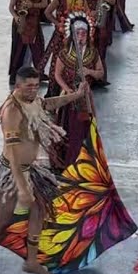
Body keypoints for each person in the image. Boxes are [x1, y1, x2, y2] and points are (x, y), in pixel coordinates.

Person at [0, 65, 86, 274]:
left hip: (31, 169)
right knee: (3, 217)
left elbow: (48, 103)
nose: (33, 90)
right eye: (29, 87)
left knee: (39, 208)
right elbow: (12, 152)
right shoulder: (12, 110)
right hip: (12, 171)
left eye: (36, 86)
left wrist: (76, 95)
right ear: (17, 86)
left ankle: (31, 261)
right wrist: (22, 187)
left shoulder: (34, 101)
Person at [47, 11, 104, 170]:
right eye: (78, 32)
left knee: (83, 129)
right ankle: (63, 161)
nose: (81, 35)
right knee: (66, 129)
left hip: (85, 99)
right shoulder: (65, 53)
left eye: (84, 32)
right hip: (68, 98)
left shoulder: (93, 53)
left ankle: (82, 161)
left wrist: (89, 72)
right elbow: (57, 74)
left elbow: (100, 73)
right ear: (72, 34)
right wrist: (67, 91)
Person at [8, 0, 47, 84]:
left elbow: (45, 4)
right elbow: (11, 7)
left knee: (37, 48)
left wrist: (33, 5)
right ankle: (15, 75)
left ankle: (38, 73)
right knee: (18, 49)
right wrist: (16, 16)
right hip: (20, 23)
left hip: (34, 23)